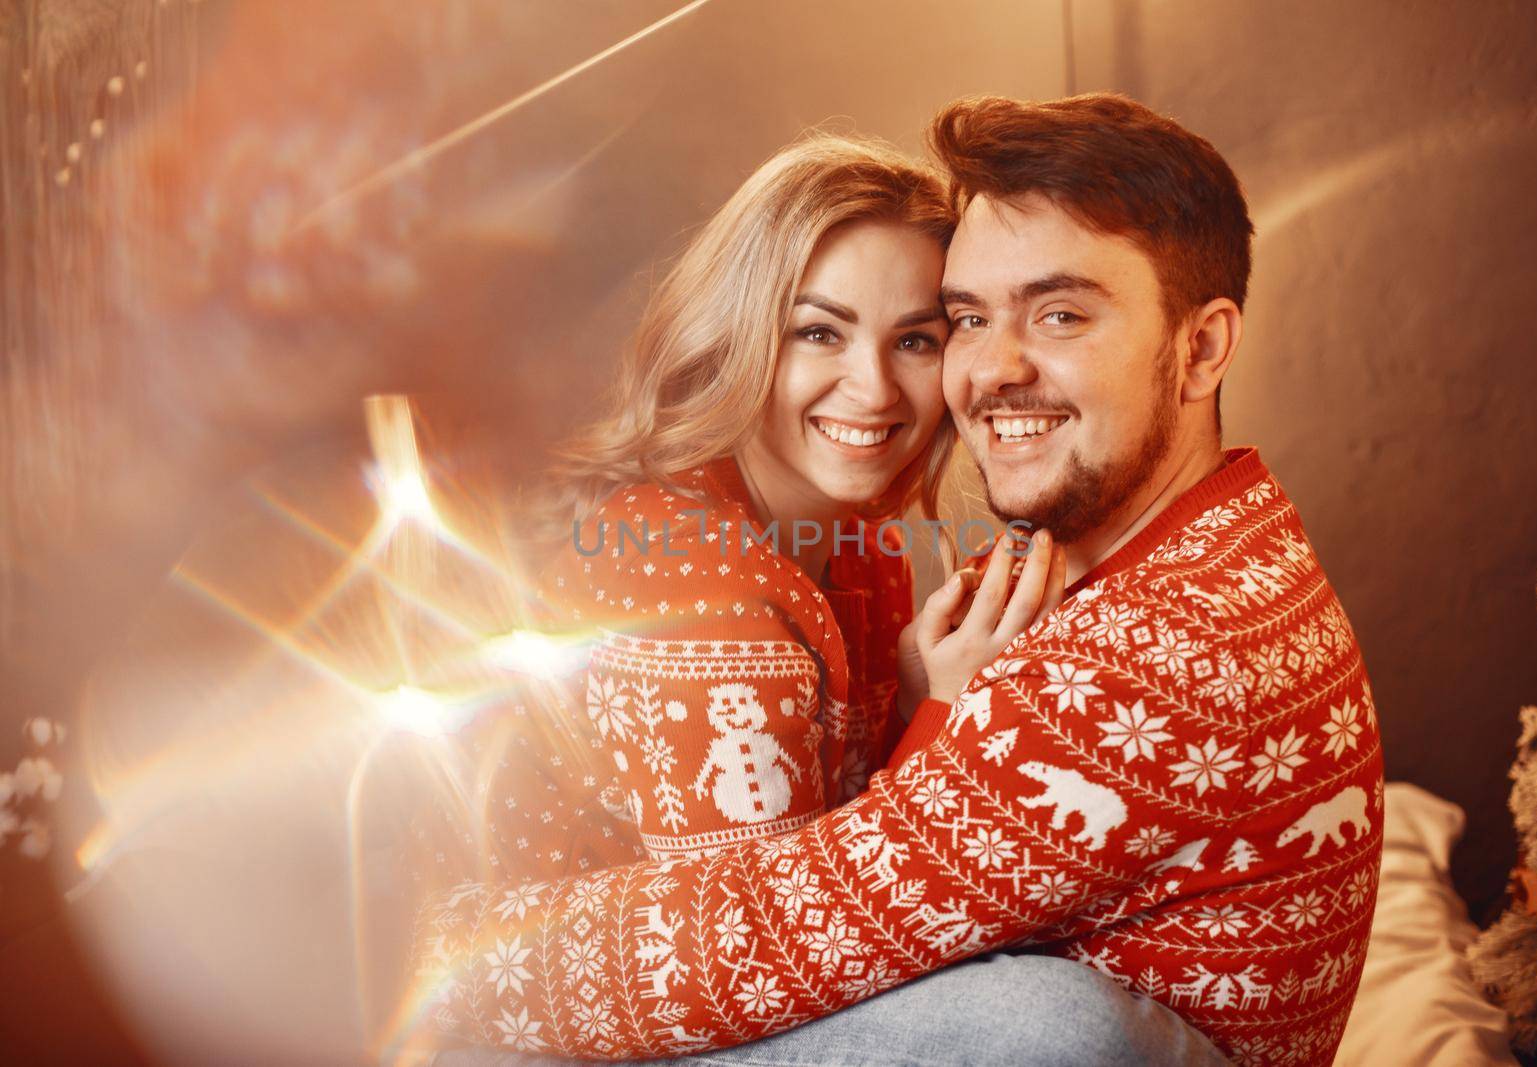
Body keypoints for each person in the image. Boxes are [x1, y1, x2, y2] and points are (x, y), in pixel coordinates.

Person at [400, 94, 1380, 1067]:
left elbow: (786, 932)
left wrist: (929, 710)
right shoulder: (1158, 547)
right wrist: (436, 962)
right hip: (613, 986)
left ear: (1200, 347)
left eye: (1061, 313)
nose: (990, 368)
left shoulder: (1149, 649)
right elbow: (782, 929)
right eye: (968, 319)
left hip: (702, 975)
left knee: (1056, 1026)